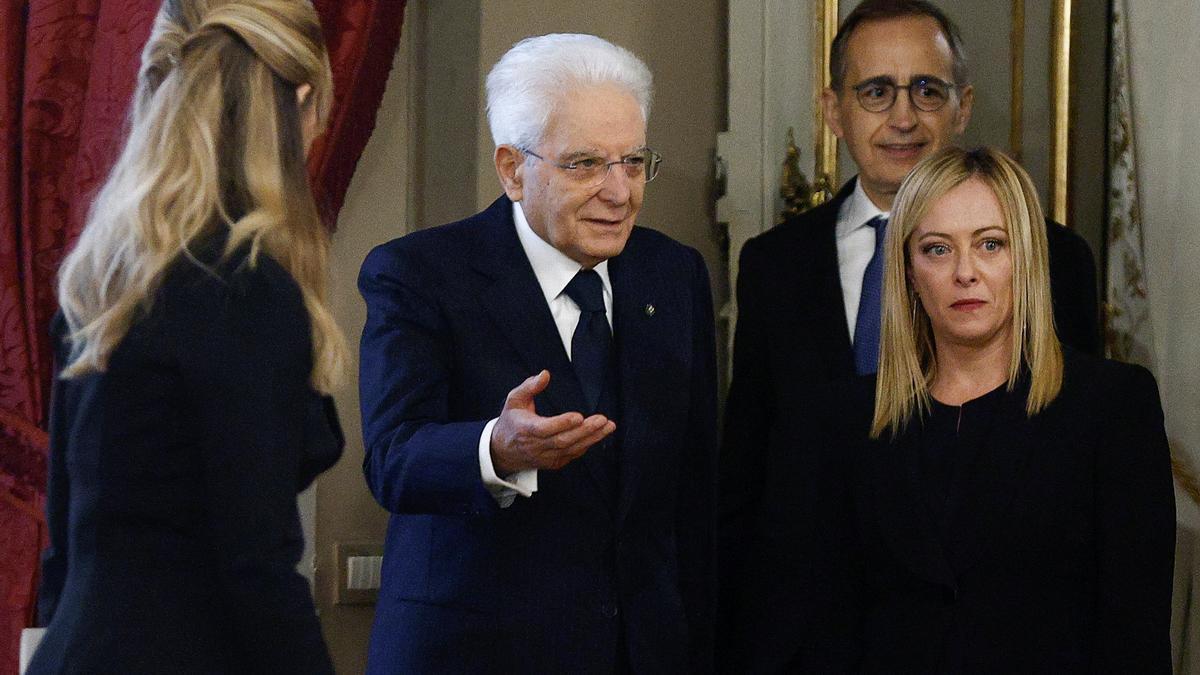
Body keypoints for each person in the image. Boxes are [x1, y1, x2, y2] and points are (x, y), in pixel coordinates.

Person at [717, 1, 1100, 669]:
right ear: (835, 111)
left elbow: (1079, 469)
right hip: (809, 633)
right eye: (876, 91)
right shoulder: (775, 265)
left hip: (993, 633)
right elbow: (748, 471)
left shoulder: (1053, 258)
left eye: (928, 89)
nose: (903, 116)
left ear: (962, 105)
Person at [358, 33, 718, 674]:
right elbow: (392, 460)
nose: (619, 191)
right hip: (476, 651)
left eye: (633, 163)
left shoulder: (673, 273)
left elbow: (693, 487)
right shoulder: (419, 274)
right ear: (512, 169)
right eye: (585, 164)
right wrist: (496, 449)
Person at [29, 1, 344, 672]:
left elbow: (64, 543)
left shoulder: (108, 277)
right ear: (301, 101)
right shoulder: (246, 290)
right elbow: (255, 564)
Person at [816, 145, 1174, 672]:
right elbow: (829, 625)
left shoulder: (1112, 407)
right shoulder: (851, 421)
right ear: (909, 271)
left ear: (1025, 260)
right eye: (937, 249)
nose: (966, 272)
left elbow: (1134, 634)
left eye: (990, 244)